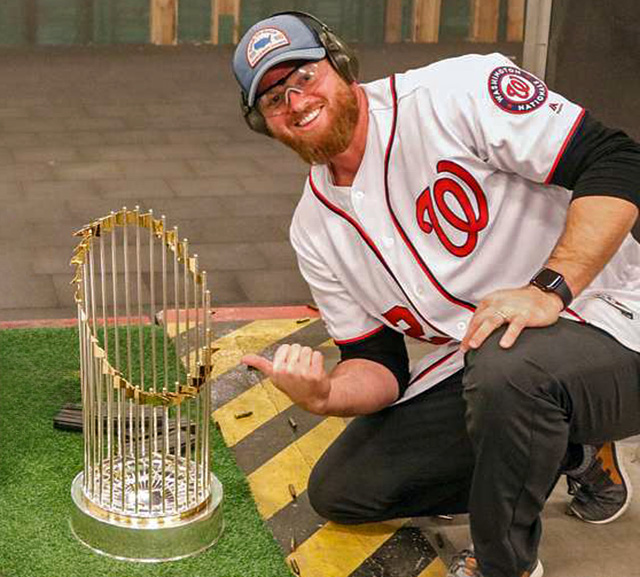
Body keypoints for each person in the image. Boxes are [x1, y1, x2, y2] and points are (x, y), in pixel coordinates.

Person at [232, 11, 640, 577]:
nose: (296, 101)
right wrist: (323, 393)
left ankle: (506, 565)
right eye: (274, 98)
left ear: (341, 65)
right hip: (494, 367)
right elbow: (377, 364)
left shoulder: (453, 94)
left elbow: (617, 159)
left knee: (508, 366)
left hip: (615, 318)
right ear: (267, 124)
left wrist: (549, 288)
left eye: (304, 76)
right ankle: (571, 451)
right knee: (345, 490)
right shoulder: (314, 229)